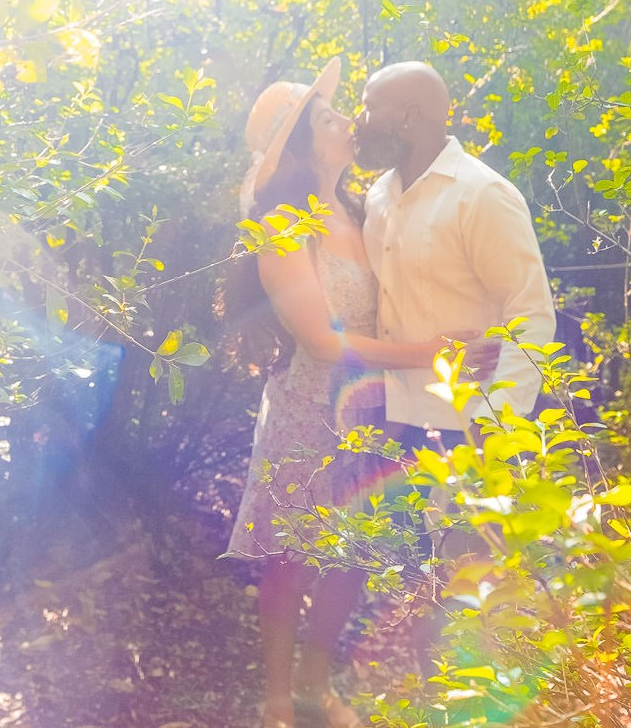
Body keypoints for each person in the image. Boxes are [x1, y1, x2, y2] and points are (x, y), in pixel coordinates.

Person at [222, 58, 499, 728]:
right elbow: (323, 340)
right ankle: (278, 699)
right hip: (307, 409)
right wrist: (430, 354)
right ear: (301, 146)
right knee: (293, 557)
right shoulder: (284, 228)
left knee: (353, 554)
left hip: (371, 409)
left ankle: (316, 684)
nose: (347, 121)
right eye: (327, 118)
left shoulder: (363, 208)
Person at [353, 60, 555, 477]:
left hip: (465, 429)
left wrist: (493, 424)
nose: (358, 120)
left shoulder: (482, 194)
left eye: (369, 107)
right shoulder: (378, 195)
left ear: (407, 117)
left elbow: (531, 314)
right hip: (386, 429)